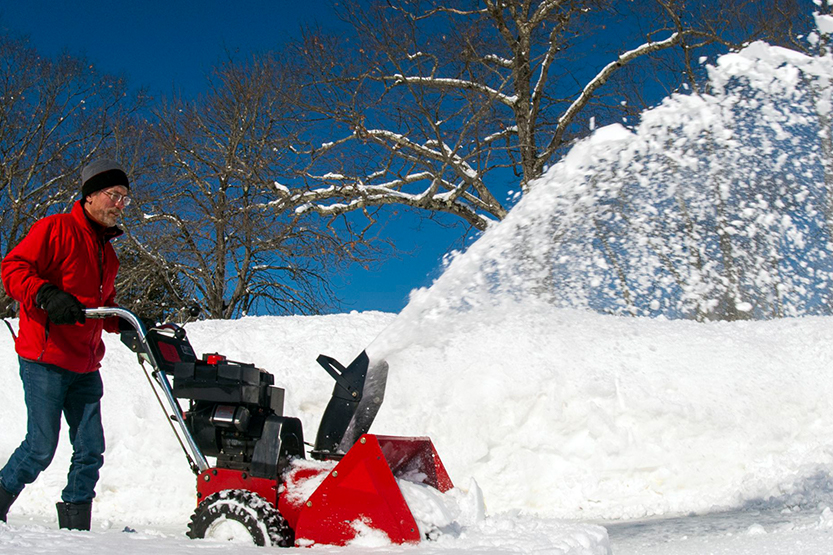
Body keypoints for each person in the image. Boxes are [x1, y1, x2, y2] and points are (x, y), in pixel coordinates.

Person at [0, 159, 130, 530]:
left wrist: (120, 321)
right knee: (40, 447)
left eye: (125, 199)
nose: (120, 205)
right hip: (45, 359)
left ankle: (76, 528)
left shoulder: (109, 253)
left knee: (90, 449)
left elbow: (101, 304)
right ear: (90, 196)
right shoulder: (54, 228)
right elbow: (12, 268)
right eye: (114, 195)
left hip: (86, 365)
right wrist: (44, 294)